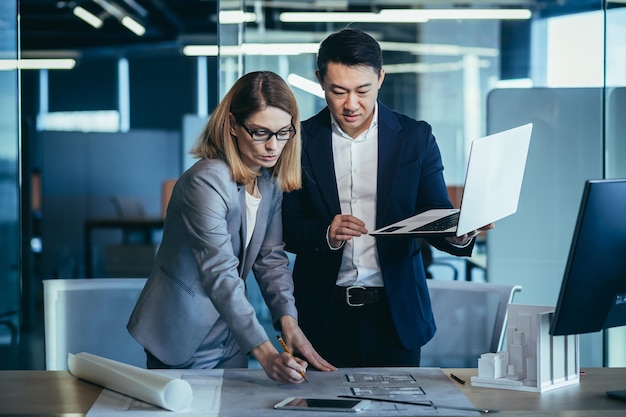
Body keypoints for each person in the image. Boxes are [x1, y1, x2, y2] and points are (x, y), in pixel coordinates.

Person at [282, 28, 492, 367]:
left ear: (381, 78)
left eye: (362, 90)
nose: (351, 104)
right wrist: (325, 233)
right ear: (320, 80)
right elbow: (285, 226)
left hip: (396, 317)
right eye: (338, 91)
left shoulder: (415, 137)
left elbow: (432, 212)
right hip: (321, 317)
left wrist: (458, 231)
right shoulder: (298, 141)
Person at [127, 70, 335, 383]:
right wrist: (265, 353)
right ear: (233, 126)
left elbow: (270, 258)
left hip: (230, 333)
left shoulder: (269, 183)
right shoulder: (207, 180)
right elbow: (220, 271)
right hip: (181, 332)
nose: (272, 146)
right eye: (260, 132)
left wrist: (288, 320)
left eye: (282, 133)